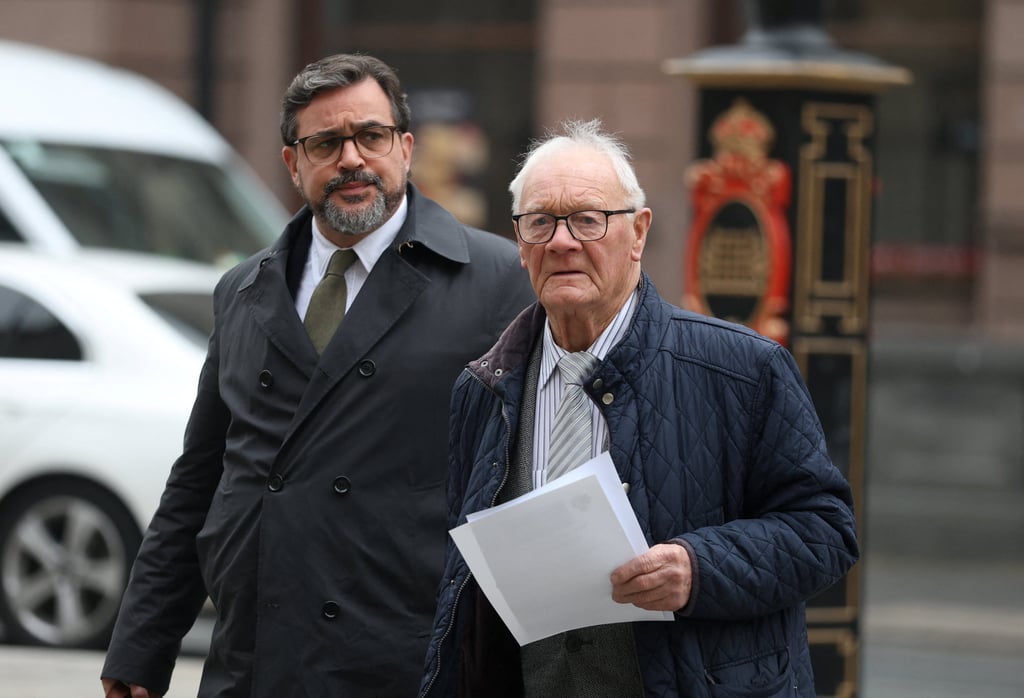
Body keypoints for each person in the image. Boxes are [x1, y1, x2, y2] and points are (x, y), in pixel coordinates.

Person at [100, 53, 535, 697]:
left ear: (406, 147)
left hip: (408, 659)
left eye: (370, 136)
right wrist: (141, 646)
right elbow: (201, 477)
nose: (351, 159)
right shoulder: (242, 290)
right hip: (256, 656)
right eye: (325, 142)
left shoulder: (500, 280)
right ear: (292, 162)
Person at [419, 119, 860, 697]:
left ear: (638, 233)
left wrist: (698, 568)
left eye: (587, 218)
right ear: (521, 241)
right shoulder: (483, 387)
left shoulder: (742, 369)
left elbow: (825, 532)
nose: (562, 241)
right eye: (540, 222)